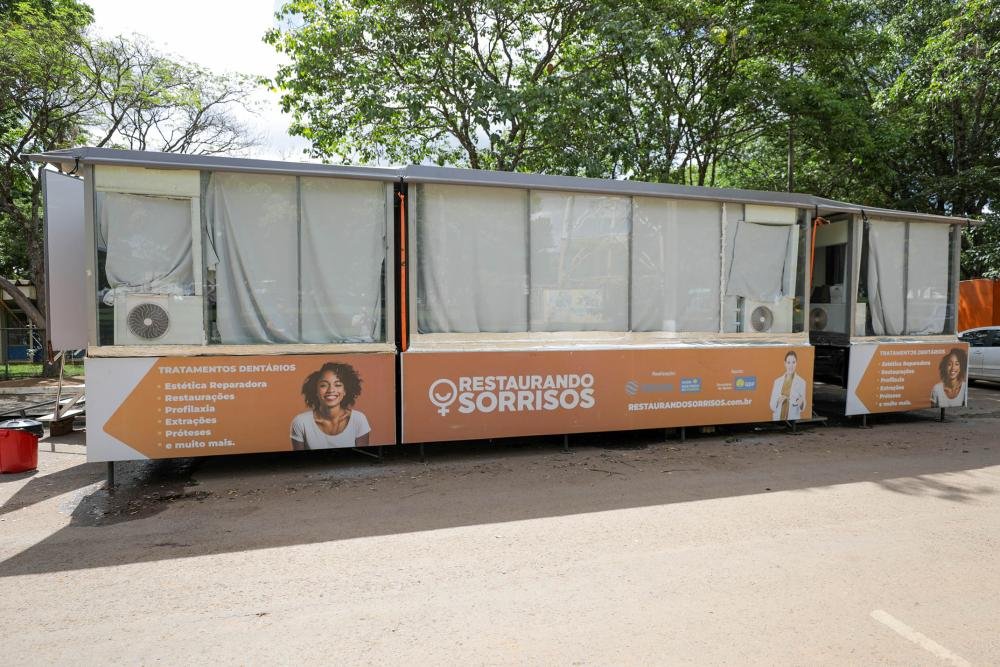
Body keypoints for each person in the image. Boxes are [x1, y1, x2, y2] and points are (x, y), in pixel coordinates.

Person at [290, 362, 370, 450]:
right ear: (316, 391)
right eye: (323, 385)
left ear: (345, 391)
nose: (331, 390)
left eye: (338, 385)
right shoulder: (301, 422)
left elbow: (362, 456)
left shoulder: (358, 419)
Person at [770, 350, 807, 420]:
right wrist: (778, 401)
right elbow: (771, 405)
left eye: (793, 362)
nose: (791, 365)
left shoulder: (802, 382)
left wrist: (801, 403)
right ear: (785, 363)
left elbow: (803, 406)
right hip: (777, 418)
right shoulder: (777, 382)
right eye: (788, 362)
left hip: (792, 418)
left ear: (796, 363)